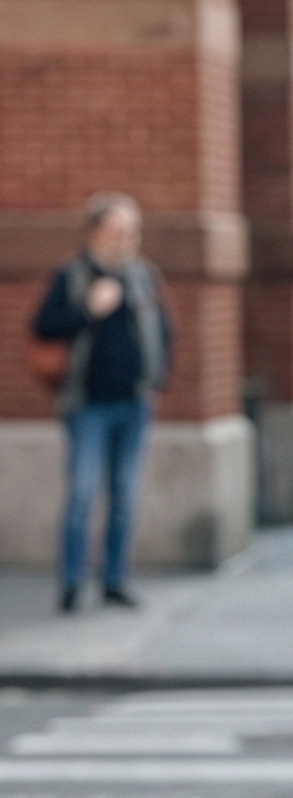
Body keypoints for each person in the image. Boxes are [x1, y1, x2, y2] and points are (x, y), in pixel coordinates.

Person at [32, 193, 172, 612]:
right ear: (95, 233)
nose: (125, 241)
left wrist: (156, 382)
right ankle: (72, 583)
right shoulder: (73, 277)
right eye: (117, 232)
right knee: (83, 493)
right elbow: (43, 326)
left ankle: (115, 580)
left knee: (125, 495)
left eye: (132, 233)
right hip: (87, 405)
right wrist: (88, 310)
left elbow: (163, 331)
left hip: (134, 403)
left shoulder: (144, 277)